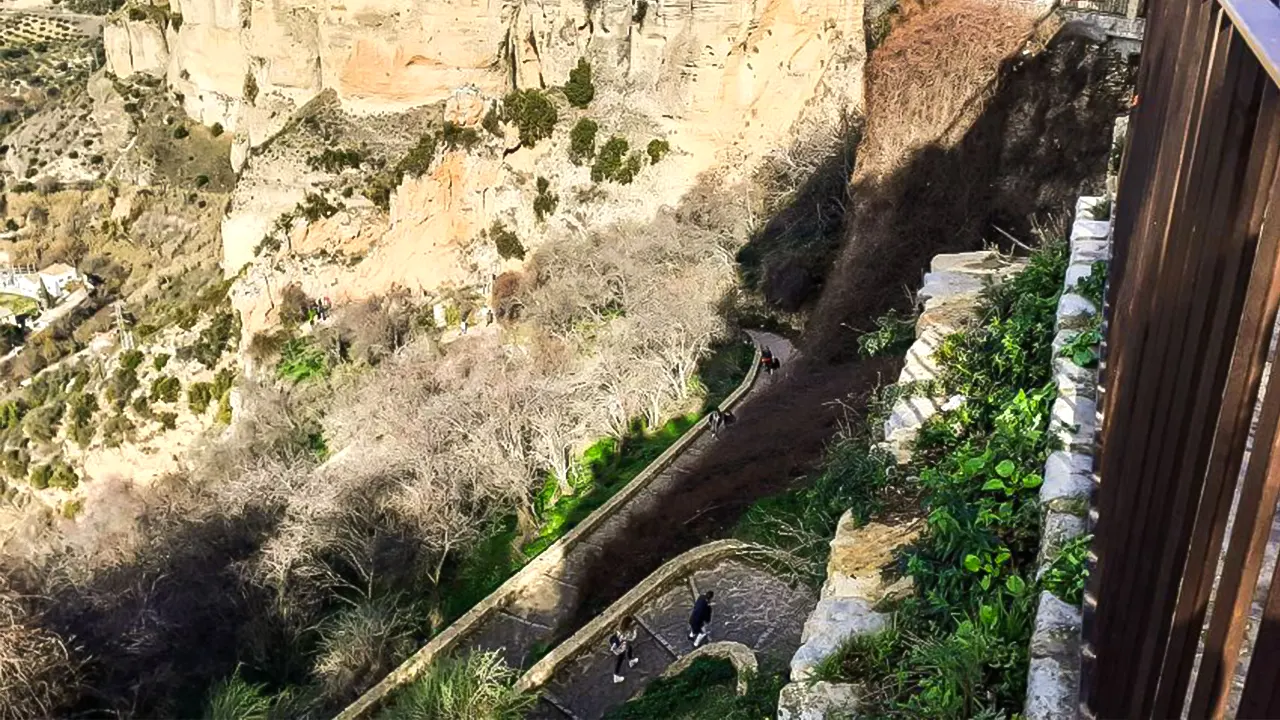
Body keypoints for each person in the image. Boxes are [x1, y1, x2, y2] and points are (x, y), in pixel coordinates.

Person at [610, 616, 640, 683]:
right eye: (630, 623)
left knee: (629, 647)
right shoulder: (626, 632)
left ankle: (631, 661)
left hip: (619, 645)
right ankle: (616, 676)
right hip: (620, 648)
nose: (631, 624)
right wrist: (635, 631)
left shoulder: (619, 628)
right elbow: (632, 639)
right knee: (620, 659)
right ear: (627, 624)